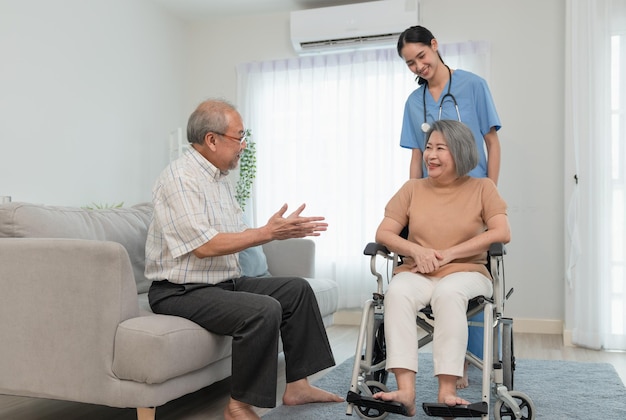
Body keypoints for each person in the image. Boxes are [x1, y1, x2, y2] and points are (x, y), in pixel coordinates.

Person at [145, 99, 343, 420]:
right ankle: (238, 405)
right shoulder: (180, 180)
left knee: (297, 290)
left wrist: (277, 232)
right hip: (180, 291)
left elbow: (235, 236)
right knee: (263, 310)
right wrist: (267, 232)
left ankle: (298, 386)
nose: (243, 146)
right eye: (239, 137)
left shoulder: (219, 180)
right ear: (212, 139)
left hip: (223, 283)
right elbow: (204, 246)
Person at [371, 120, 510, 416]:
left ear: (459, 152)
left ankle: (447, 390)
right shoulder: (412, 189)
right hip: (418, 272)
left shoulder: (483, 188)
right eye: (429, 147)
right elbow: (384, 234)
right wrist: (415, 250)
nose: (431, 155)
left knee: (448, 293)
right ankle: (405, 392)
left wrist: (449, 254)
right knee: (397, 292)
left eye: (440, 149)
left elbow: (501, 232)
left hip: (468, 273)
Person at [397, 25, 503, 387]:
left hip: (471, 198)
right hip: (433, 195)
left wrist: (489, 191)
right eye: (410, 63)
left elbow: (492, 142)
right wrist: (412, 201)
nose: (418, 66)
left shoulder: (473, 85)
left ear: (434, 46)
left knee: (465, 277)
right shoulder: (415, 102)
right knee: (431, 281)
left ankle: (468, 363)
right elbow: (416, 154)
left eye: (421, 57)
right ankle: (448, 365)